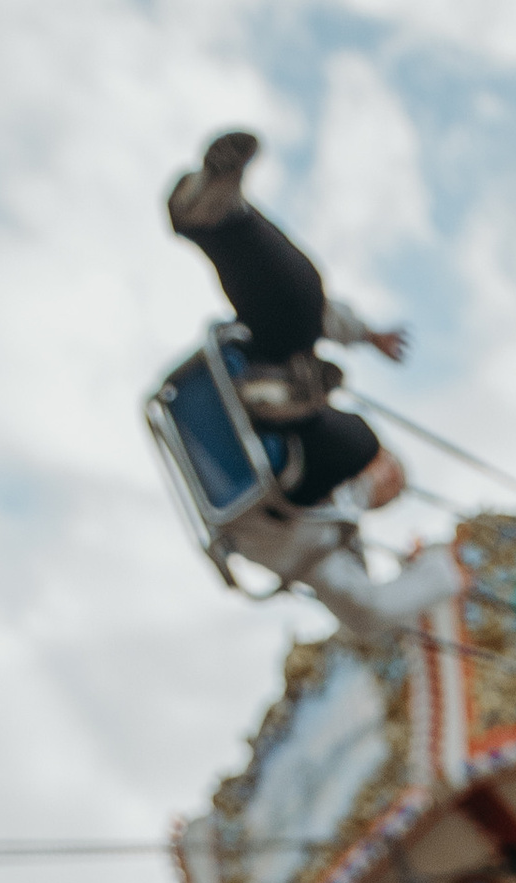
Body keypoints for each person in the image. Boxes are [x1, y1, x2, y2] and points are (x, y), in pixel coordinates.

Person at [162, 132, 455, 641]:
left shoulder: (330, 544)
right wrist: (366, 333)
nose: (384, 480)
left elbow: (370, 615)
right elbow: (313, 312)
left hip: (281, 481)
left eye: (387, 479)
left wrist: (443, 571)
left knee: (354, 435)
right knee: (298, 307)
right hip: (260, 409)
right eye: (390, 473)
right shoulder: (338, 513)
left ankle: (283, 395)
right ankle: (217, 217)